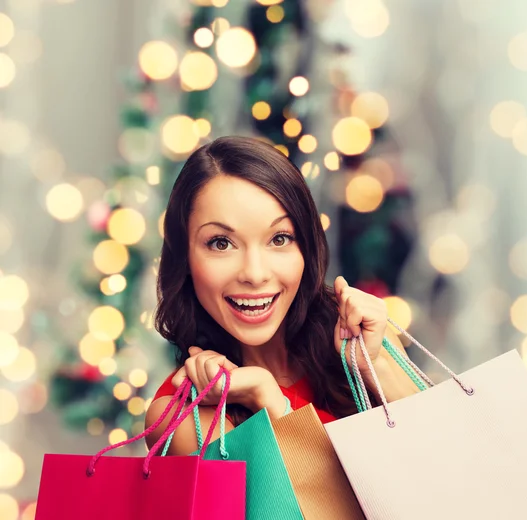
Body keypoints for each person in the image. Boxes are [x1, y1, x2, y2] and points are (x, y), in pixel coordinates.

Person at [145, 136, 420, 455]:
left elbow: (449, 463)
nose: (255, 273)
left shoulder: (364, 337)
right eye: (221, 243)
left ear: (306, 246)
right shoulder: (185, 417)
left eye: (279, 238)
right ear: (185, 259)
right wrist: (269, 400)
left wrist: (377, 367)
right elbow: (332, 505)